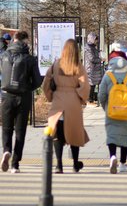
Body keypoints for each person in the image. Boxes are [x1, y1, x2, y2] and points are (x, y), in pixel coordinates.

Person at [42, 39, 90, 174]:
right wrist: (82, 98)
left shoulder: (56, 65)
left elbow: (46, 83)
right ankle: (75, 164)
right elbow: (85, 85)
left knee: (57, 133)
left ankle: (59, 165)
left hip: (58, 101)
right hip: (73, 102)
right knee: (74, 132)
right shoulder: (78, 66)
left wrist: (50, 96)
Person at [0, 31, 42, 173]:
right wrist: (27, 88)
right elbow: (37, 81)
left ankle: (6, 150)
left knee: (6, 129)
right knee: (20, 131)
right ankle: (15, 164)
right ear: (24, 41)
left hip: (6, 96)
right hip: (23, 98)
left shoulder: (4, 56)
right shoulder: (30, 59)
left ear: (13, 40)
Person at [98, 52, 127, 174]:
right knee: (125, 136)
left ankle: (112, 156)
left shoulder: (108, 76)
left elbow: (101, 94)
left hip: (111, 110)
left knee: (112, 135)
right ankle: (122, 164)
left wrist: (105, 107)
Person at [84, 32, 103, 105]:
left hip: (94, 69)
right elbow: (92, 58)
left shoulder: (93, 47)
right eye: (95, 40)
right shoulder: (88, 48)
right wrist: (100, 60)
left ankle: (91, 99)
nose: (96, 41)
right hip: (90, 69)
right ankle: (89, 100)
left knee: (93, 84)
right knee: (90, 84)